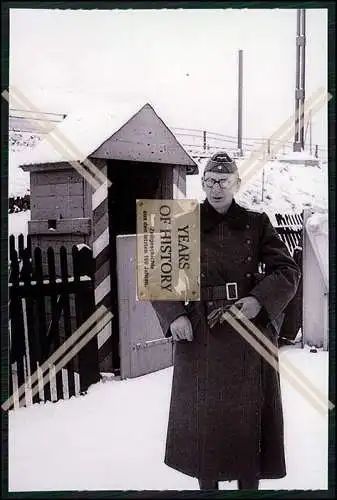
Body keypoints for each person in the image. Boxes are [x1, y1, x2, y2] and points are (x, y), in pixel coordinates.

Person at [151, 151, 301, 491]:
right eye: (210, 181)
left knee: (246, 423)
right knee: (207, 428)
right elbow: (159, 275)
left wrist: (257, 301)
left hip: (247, 331)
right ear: (202, 184)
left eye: (224, 181)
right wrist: (174, 315)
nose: (216, 188)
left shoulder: (257, 223)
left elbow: (287, 271)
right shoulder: (184, 222)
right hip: (201, 332)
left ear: (237, 183)